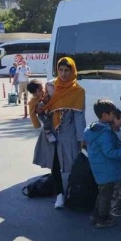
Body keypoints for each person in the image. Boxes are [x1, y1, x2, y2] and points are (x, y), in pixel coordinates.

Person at [32, 57, 86, 209]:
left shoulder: (78, 92)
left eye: (66, 70)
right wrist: (40, 107)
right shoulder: (50, 86)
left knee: (72, 164)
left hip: (68, 132)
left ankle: (72, 192)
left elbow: (79, 117)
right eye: (60, 70)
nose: (63, 74)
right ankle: (60, 195)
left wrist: (82, 138)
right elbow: (42, 105)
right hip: (51, 131)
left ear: (72, 71)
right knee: (54, 164)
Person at [83, 100, 121, 228]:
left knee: (102, 191)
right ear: (105, 115)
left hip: (99, 166)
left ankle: (96, 214)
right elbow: (109, 152)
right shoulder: (105, 133)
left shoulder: (94, 127)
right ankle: (103, 218)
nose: (114, 116)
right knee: (106, 194)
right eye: (112, 113)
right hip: (106, 167)